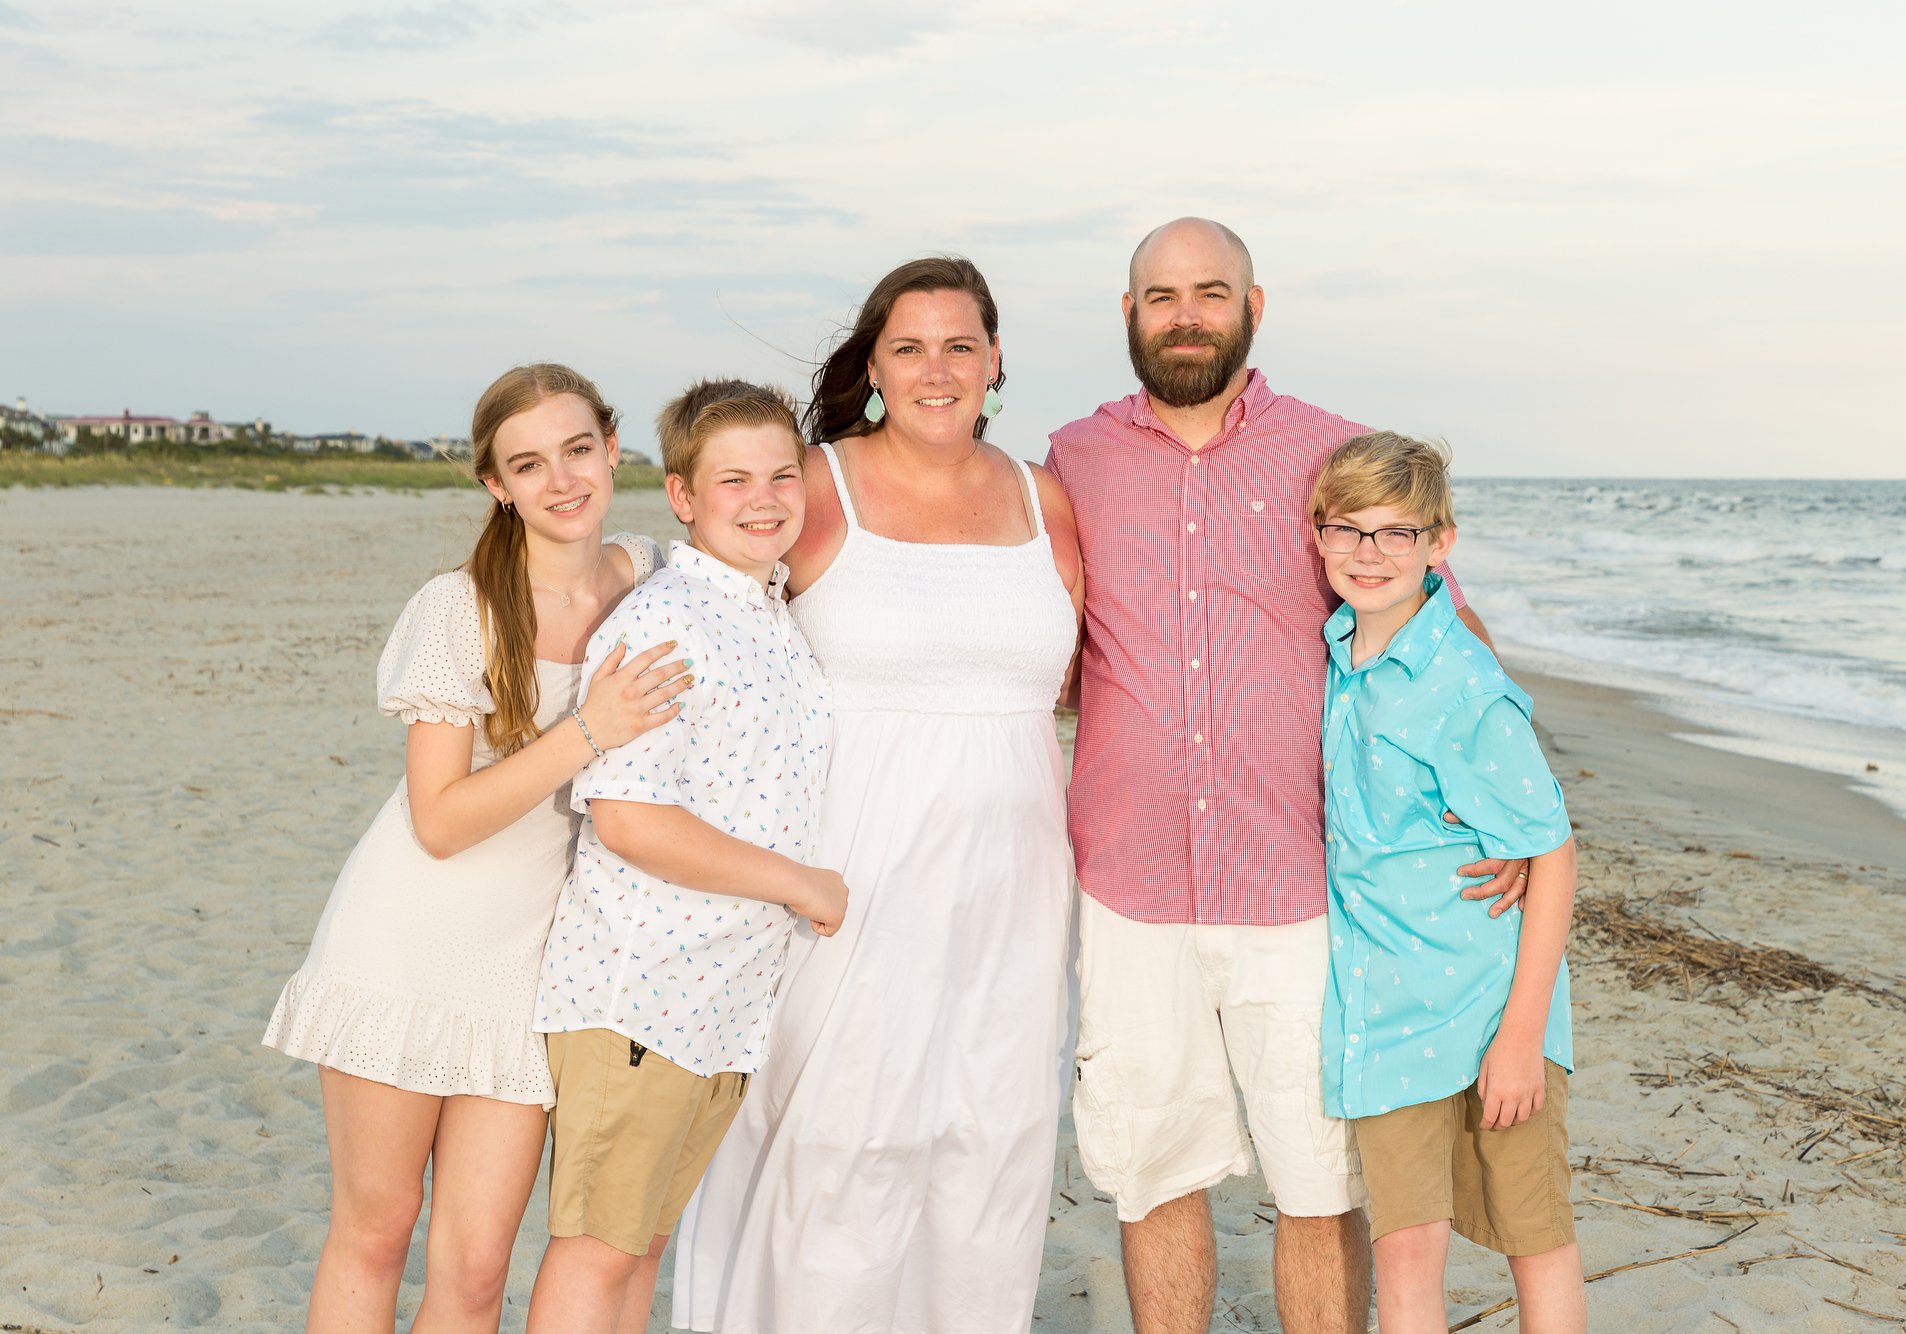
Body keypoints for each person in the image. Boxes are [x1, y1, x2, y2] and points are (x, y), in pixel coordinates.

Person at [1044, 218, 1530, 1334]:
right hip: (1128, 883)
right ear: (1129, 314)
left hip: (1306, 884)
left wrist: (1497, 815)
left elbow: (1442, 638)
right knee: (1153, 1171)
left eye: (1210, 292)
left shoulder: (1333, 452)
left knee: (1318, 1180)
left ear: (1253, 307)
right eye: (1161, 295)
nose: (1185, 316)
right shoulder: (1073, 459)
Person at [672, 257, 1085, 1334]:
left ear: (995, 360)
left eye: (958, 346)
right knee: (840, 1135)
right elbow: (704, 606)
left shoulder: (1043, 497)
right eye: (908, 348)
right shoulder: (813, 484)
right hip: (849, 869)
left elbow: (1086, 681)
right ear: (873, 364)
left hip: (1016, 878)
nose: (935, 371)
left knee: (989, 1139)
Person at [263, 362, 691, 1333]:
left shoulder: (653, 576)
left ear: (612, 448)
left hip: (530, 972)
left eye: (577, 449)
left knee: (476, 1268)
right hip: (402, 946)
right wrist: (589, 729)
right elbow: (440, 820)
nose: (562, 480)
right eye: (529, 464)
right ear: (497, 484)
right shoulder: (459, 607)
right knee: (378, 1233)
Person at [524, 379, 843, 1334]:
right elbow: (629, 817)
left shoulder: (770, 614)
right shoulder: (667, 620)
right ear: (683, 497)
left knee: (640, 1248)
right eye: (733, 480)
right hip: (643, 993)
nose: (764, 499)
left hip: (721, 999)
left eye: (782, 476)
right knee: (598, 1250)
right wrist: (799, 884)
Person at [1311, 432, 1585, 1333]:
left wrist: (1521, 1037)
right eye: (1349, 530)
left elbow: (1552, 853)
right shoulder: (1336, 655)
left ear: (1440, 545)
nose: (1370, 553)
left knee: (1533, 1234)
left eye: (1397, 533)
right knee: (1405, 1246)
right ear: (1319, 536)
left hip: (1490, 1005)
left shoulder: (1465, 686)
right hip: (1385, 1015)